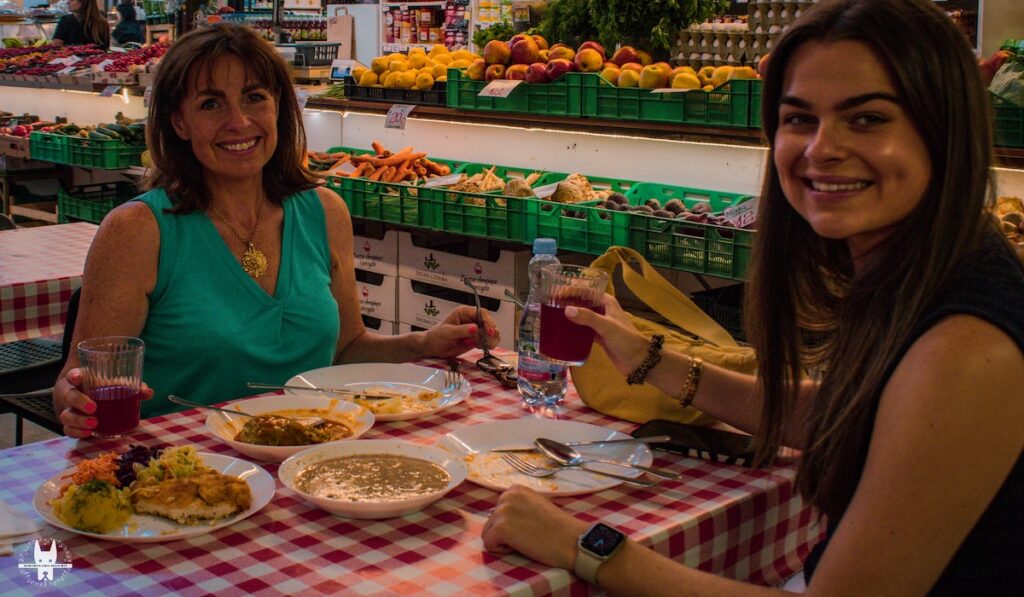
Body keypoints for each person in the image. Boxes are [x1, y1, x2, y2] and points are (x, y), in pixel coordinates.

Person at [482, 0, 1024, 594]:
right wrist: (647, 359)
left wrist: (585, 545)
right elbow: (848, 417)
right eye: (799, 119)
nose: (822, 148)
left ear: (944, 127)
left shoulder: (968, 349)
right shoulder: (918, 272)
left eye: (867, 119)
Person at [53, 23, 499, 437]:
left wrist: (425, 342)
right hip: (181, 475)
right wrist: (76, 402)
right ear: (179, 122)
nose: (239, 122)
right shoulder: (137, 231)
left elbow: (345, 350)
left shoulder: (324, 211)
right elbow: (77, 381)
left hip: (310, 455)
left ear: (279, 106)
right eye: (211, 103)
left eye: (254, 97)